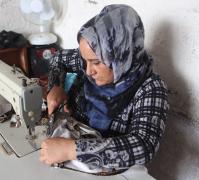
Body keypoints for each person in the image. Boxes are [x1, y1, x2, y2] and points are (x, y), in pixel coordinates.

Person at [39, 4, 169, 170]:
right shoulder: (89, 57)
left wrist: (73, 150)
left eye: (96, 63)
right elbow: (58, 59)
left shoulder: (150, 88)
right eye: (85, 61)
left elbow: (144, 146)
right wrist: (56, 86)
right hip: (68, 145)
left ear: (120, 55)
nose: (88, 71)